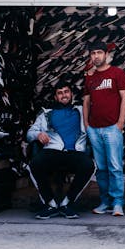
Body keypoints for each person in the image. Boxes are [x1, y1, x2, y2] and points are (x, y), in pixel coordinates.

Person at [27, 81, 95, 220]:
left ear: (71, 94)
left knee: (89, 165)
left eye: (66, 92)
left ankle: (66, 203)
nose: (64, 95)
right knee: (34, 164)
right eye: (60, 93)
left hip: (75, 151)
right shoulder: (46, 114)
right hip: (53, 150)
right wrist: (38, 134)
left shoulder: (82, 111)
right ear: (56, 97)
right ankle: (50, 204)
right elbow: (29, 134)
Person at [83, 41, 125, 216]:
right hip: (94, 129)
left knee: (115, 166)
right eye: (93, 53)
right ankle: (105, 202)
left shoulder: (117, 73)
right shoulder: (90, 77)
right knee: (101, 169)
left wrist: (120, 123)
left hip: (112, 127)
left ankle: (118, 202)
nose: (96, 56)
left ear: (106, 54)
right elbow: (86, 101)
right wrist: (86, 125)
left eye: (99, 52)